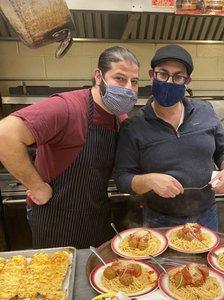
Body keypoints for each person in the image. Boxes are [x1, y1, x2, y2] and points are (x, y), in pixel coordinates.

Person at [0, 46, 139, 249]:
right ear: (98, 76)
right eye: (119, 78)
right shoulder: (67, 107)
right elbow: (5, 135)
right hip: (55, 220)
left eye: (134, 81)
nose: (128, 88)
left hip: (96, 216)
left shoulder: (119, 117)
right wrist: (37, 187)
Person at [115, 44, 224, 231]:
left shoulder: (205, 111)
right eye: (163, 74)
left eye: (178, 77)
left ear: (187, 81)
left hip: (207, 216)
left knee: (205, 261)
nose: (170, 82)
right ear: (151, 75)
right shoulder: (133, 126)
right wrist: (150, 180)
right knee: (165, 263)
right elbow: (123, 179)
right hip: (160, 221)